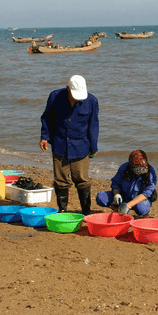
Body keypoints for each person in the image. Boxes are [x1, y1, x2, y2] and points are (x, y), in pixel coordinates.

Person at [40, 75, 99, 214]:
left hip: (81, 146)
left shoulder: (91, 101)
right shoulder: (55, 96)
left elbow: (94, 125)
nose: (77, 99)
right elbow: (47, 118)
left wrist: (93, 147)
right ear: (68, 89)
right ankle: (62, 210)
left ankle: (86, 210)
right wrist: (44, 137)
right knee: (60, 180)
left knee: (82, 180)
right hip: (59, 144)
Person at [95, 150, 158, 216]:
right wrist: (116, 194)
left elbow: (147, 193)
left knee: (141, 208)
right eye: (137, 170)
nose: (139, 173)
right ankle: (118, 210)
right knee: (100, 197)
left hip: (139, 200)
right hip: (124, 196)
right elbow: (115, 183)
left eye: (142, 170)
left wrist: (128, 206)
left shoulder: (150, 172)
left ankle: (142, 213)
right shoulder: (124, 168)